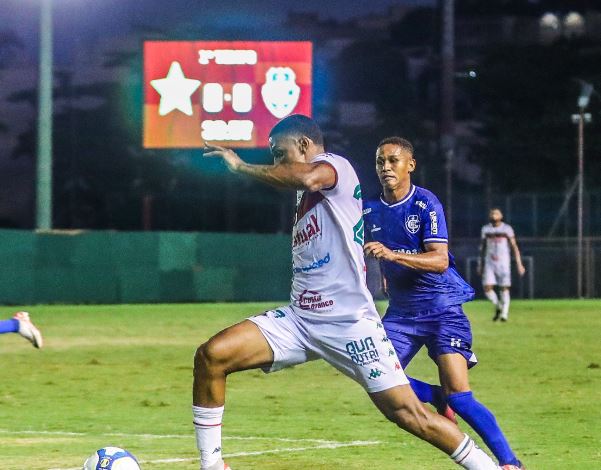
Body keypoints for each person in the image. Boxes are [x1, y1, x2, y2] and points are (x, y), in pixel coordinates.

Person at [193, 115, 500, 470]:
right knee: (211, 356)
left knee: (409, 414)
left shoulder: (333, 167)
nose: (277, 163)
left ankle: (488, 467)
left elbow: (306, 175)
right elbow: (298, 181)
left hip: (349, 322)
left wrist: (240, 166)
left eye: (281, 154)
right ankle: (212, 466)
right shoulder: (302, 190)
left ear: (305, 147)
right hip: (301, 319)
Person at [363, 137, 524, 470]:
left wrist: (393, 255)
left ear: (410, 165)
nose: (386, 167)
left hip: (442, 309)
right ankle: (437, 397)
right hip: (402, 314)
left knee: (461, 397)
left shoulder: (425, 204)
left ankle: (510, 463)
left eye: (393, 161)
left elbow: (439, 260)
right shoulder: (368, 209)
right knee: (373, 376)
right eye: (380, 161)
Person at [478, 208, 526, 321]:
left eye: (496, 213)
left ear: (501, 216)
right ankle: (498, 305)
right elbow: (482, 247)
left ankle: (504, 313)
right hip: (489, 261)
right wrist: (480, 264)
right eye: (492, 213)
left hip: (503, 262)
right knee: (487, 287)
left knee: (504, 288)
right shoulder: (486, 229)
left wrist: (519, 264)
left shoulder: (506, 229)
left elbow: (514, 246)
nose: (494, 215)